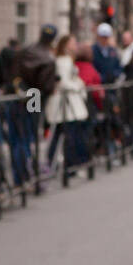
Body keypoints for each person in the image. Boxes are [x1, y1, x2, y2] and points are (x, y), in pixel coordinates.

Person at [43, 34, 89, 169]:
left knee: (60, 135)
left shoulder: (66, 59)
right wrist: (78, 87)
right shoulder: (64, 60)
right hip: (65, 104)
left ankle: (55, 164)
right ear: (66, 45)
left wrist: (79, 84)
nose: (76, 45)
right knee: (67, 136)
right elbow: (63, 82)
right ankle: (68, 165)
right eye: (73, 42)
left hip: (66, 104)